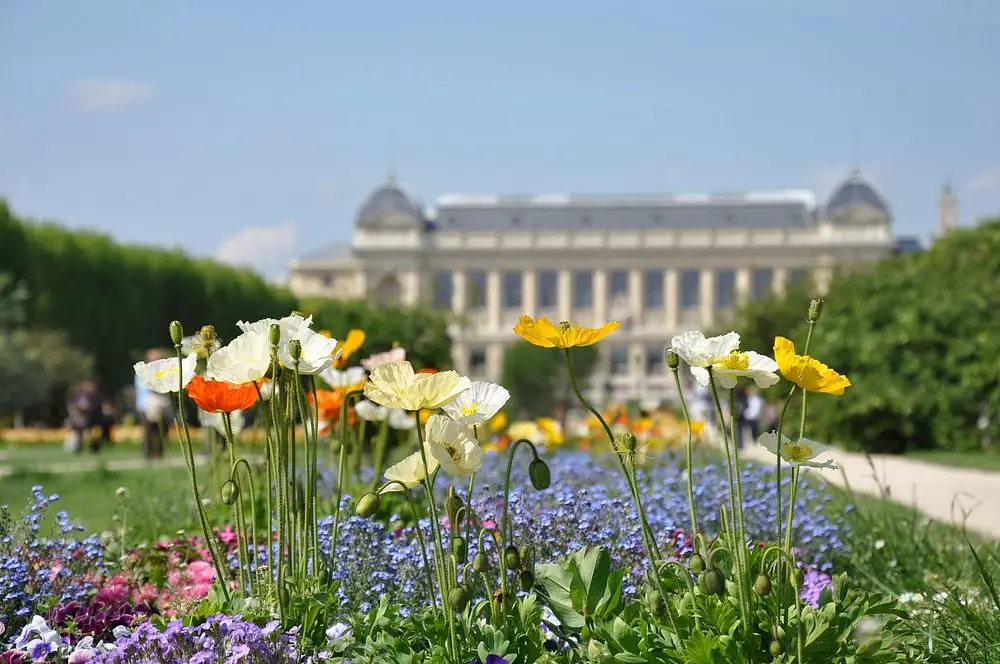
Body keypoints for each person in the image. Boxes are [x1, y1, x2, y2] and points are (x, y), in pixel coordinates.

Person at [136, 349, 171, 460]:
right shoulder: (144, 371)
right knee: (149, 431)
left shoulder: (163, 371)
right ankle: (148, 454)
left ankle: (160, 453)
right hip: (147, 404)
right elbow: (143, 388)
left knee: (162, 430)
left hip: (162, 403)